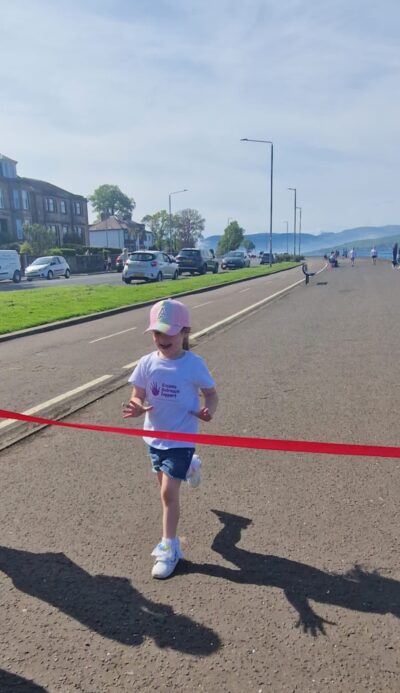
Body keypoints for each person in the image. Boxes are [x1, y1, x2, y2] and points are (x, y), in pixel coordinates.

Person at [123, 299, 218, 579]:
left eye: (169, 332)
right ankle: (191, 467)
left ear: (185, 332)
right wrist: (137, 405)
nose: (162, 339)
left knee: (167, 494)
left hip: (182, 439)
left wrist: (207, 412)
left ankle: (170, 548)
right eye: (156, 333)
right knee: (163, 488)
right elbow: (137, 393)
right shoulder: (146, 363)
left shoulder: (193, 364)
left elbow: (211, 394)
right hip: (153, 438)